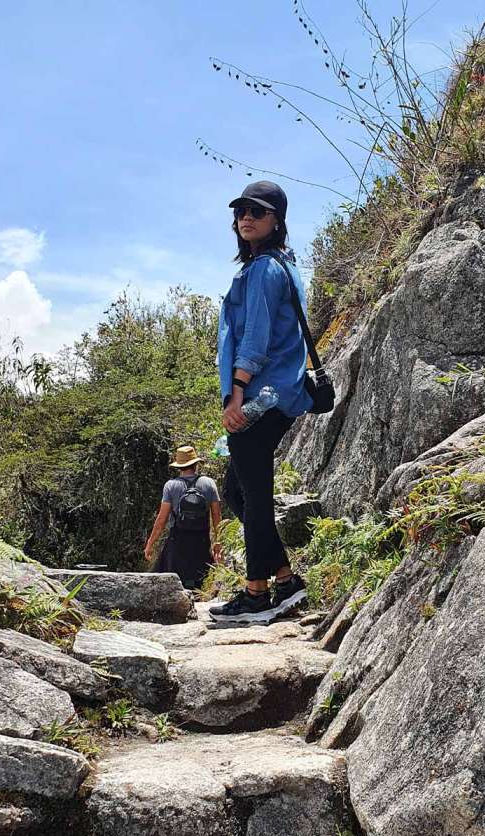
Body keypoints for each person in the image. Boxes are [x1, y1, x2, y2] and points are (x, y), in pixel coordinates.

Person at [209, 180, 312, 625]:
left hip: (260, 396)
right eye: (241, 212)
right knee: (237, 490)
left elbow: (255, 336)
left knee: (253, 492)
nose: (245, 218)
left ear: (277, 221)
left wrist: (236, 392)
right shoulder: (274, 267)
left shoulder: (266, 270)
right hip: (272, 394)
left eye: (257, 212)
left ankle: (257, 595)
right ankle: (286, 582)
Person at [144, 445, 222, 591]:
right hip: (202, 539)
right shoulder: (209, 483)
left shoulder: (171, 486)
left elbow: (161, 520)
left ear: (179, 466)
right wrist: (218, 543)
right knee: (201, 581)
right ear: (196, 464)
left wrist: (150, 543)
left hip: (178, 540)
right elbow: (217, 517)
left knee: (172, 582)